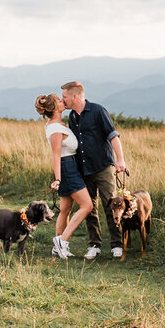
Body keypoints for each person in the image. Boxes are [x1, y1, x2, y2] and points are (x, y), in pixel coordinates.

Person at [61, 81, 128, 259]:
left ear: (75, 96)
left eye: (65, 97)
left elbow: (112, 135)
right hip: (84, 169)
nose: (63, 100)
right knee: (89, 207)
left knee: (112, 204)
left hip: (103, 167)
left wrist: (120, 159)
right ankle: (94, 245)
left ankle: (117, 244)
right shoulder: (72, 117)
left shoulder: (98, 111)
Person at [35, 93, 93, 259]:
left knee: (65, 209)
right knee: (87, 205)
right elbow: (56, 155)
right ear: (55, 108)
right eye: (59, 101)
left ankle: (57, 247)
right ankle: (62, 242)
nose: (63, 102)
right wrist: (58, 179)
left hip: (69, 166)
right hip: (67, 169)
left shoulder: (57, 125)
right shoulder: (54, 129)